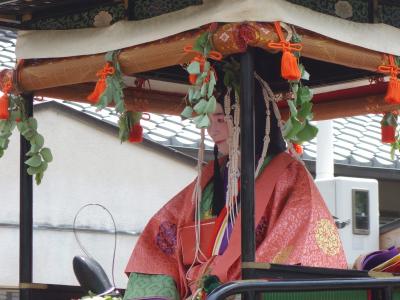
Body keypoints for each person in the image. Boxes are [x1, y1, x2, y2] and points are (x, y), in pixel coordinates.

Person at [123, 75, 347, 300]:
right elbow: (161, 238)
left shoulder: (289, 175)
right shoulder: (211, 178)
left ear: (248, 120)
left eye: (220, 119)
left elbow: (298, 243)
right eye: (209, 120)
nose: (212, 130)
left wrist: (239, 288)